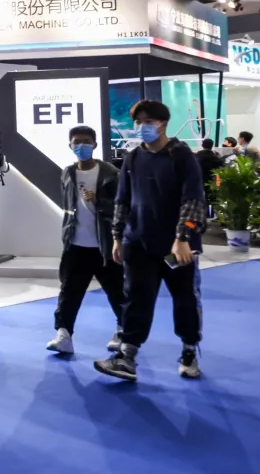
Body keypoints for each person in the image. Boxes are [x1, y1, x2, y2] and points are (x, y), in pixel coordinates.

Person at [95, 100, 206, 382]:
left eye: (148, 121)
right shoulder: (132, 158)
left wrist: (182, 237)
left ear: (163, 124)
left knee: (185, 300)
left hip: (177, 248)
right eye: (138, 122)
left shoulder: (182, 157)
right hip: (138, 243)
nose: (142, 127)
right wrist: (117, 237)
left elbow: (193, 200)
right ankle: (127, 357)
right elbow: (122, 201)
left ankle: (189, 351)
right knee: (135, 300)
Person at [47, 126, 124, 355]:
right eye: (77, 142)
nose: (81, 146)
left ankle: (124, 331)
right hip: (76, 244)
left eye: (86, 142)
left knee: (117, 291)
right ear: (70, 145)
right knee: (69, 291)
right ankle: (64, 334)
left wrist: (99, 200)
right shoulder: (67, 173)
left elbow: (123, 207)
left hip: (105, 245)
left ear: (95, 145)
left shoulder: (111, 173)